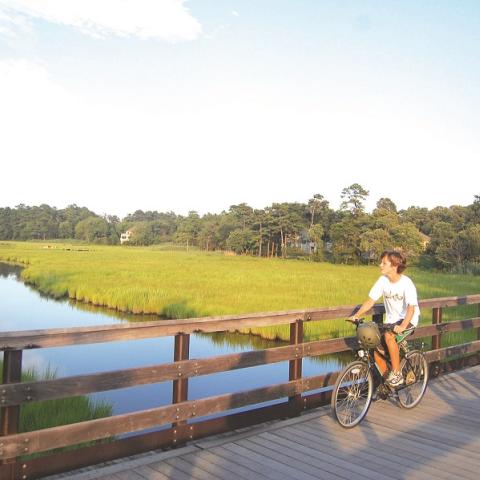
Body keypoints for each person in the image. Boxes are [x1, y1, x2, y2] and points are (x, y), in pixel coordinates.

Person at [349, 250, 420, 386]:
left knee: (388, 337)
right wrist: (357, 315)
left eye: (384, 263)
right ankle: (388, 382)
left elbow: (411, 308)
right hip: (391, 321)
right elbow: (370, 301)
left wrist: (403, 326)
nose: (380, 265)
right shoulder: (383, 281)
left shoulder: (407, 283)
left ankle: (397, 374)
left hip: (408, 320)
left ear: (394, 266)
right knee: (377, 351)